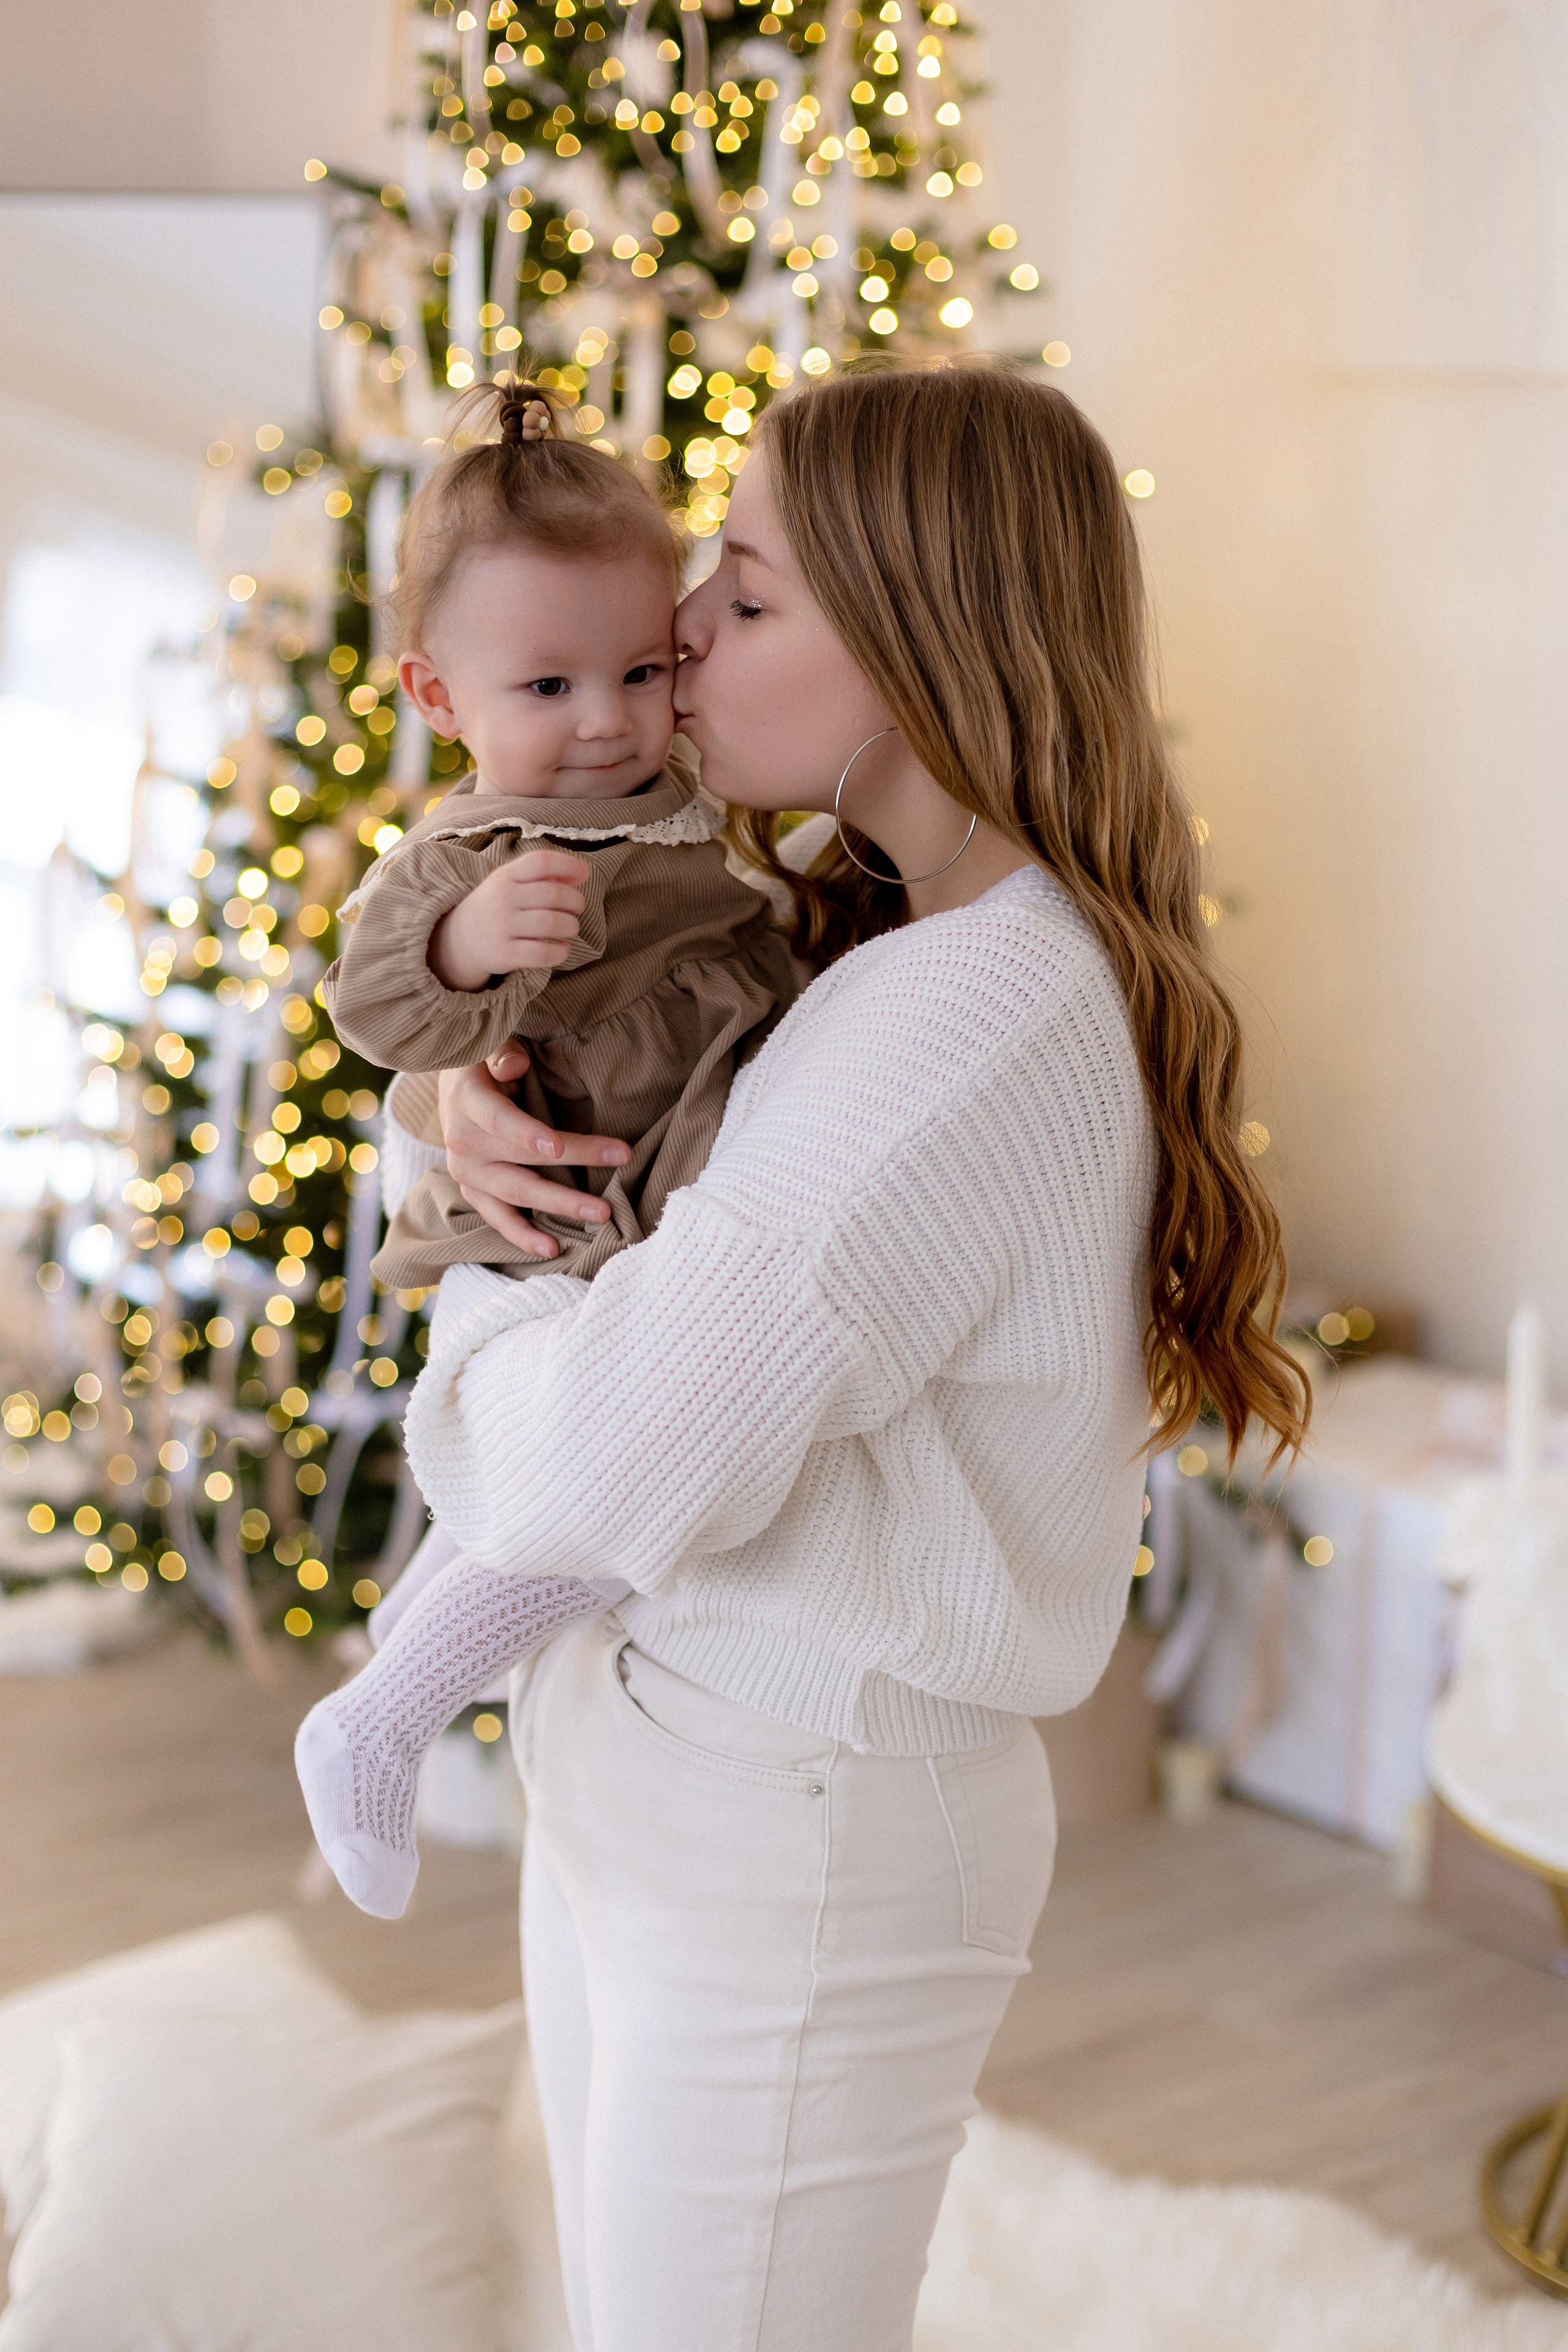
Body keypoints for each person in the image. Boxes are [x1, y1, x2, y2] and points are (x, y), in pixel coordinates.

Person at [391, 363, 1310, 2352]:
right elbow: (626, 1139)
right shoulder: (867, 946)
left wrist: (477, 1290)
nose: (679, 635)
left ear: (905, 634)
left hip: (792, 1831)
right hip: (675, 1767)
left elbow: (601, 1467)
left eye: (744, 585)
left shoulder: (963, 1021)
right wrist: (449, 1128)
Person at [294, 376, 801, 1919]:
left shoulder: (689, 799)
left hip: (671, 1183)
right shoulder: (461, 853)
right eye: (546, 689)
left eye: (642, 670)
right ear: (438, 699)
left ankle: (396, 1691)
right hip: (569, 1213)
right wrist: (455, 948)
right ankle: (385, 1712)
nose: (604, 722)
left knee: (573, 1508)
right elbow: (370, 1009)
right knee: (605, 1492)